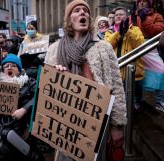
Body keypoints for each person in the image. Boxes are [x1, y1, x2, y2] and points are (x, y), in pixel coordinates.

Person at [44, 0, 127, 161]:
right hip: (65, 122)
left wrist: (117, 125)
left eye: (85, 10)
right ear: (69, 20)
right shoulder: (54, 49)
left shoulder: (103, 47)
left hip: (96, 121)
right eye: (76, 10)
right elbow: (47, 90)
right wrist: (57, 75)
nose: (82, 12)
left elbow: (116, 85)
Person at [0, 53, 37, 161]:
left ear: (19, 69)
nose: (9, 67)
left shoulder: (28, 82)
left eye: (13, 65)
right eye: (6, 66)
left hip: (9, 124)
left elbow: (39, 96)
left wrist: (24, 109)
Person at [104, 6, 145, 109]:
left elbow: (140, 44)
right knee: (118, 99)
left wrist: (127, 31)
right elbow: (106, 46)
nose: (118, 16)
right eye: (116, 15)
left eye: (121, 14)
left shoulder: (135, 29)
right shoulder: (109, 32)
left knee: (135, 100)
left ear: (126, 17)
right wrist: (118, 33)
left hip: (133, 71)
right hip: (116, 71)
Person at [132, 0, 164, 111]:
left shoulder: (156, 16)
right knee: (136, 74)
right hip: (136, 47)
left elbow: (156, 31)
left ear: (149, 3)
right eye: (140, 1)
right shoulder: (133, 16)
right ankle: (137, 101)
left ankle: (160, 101)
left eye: (144, 1)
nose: (141, 3)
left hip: (151, 47)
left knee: (161, 70)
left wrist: (145, 18)